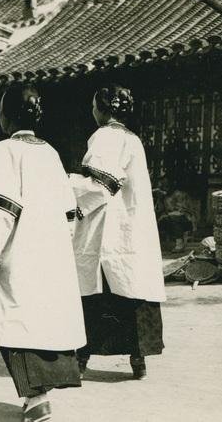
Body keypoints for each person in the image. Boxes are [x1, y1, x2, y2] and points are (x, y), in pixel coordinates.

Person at [0, 85, 85, 422]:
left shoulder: (4, 150)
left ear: (7, 116)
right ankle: (40, 394)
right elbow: (70, 210)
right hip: (51, 247)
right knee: (43, 316)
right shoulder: (51, 152)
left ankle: (36, 399)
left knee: (15, 319)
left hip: (21, 247)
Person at [70, 84, 166, 380]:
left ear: (102, 108)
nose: (93, 112)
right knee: (132, 285)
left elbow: (102, 184)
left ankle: (81, 360)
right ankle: (138, 361)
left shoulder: (103, 136)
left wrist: (67, 186)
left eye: (93, 107)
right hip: (132, 225)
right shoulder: (132, 139)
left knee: (97, 288)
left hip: (107, 225)